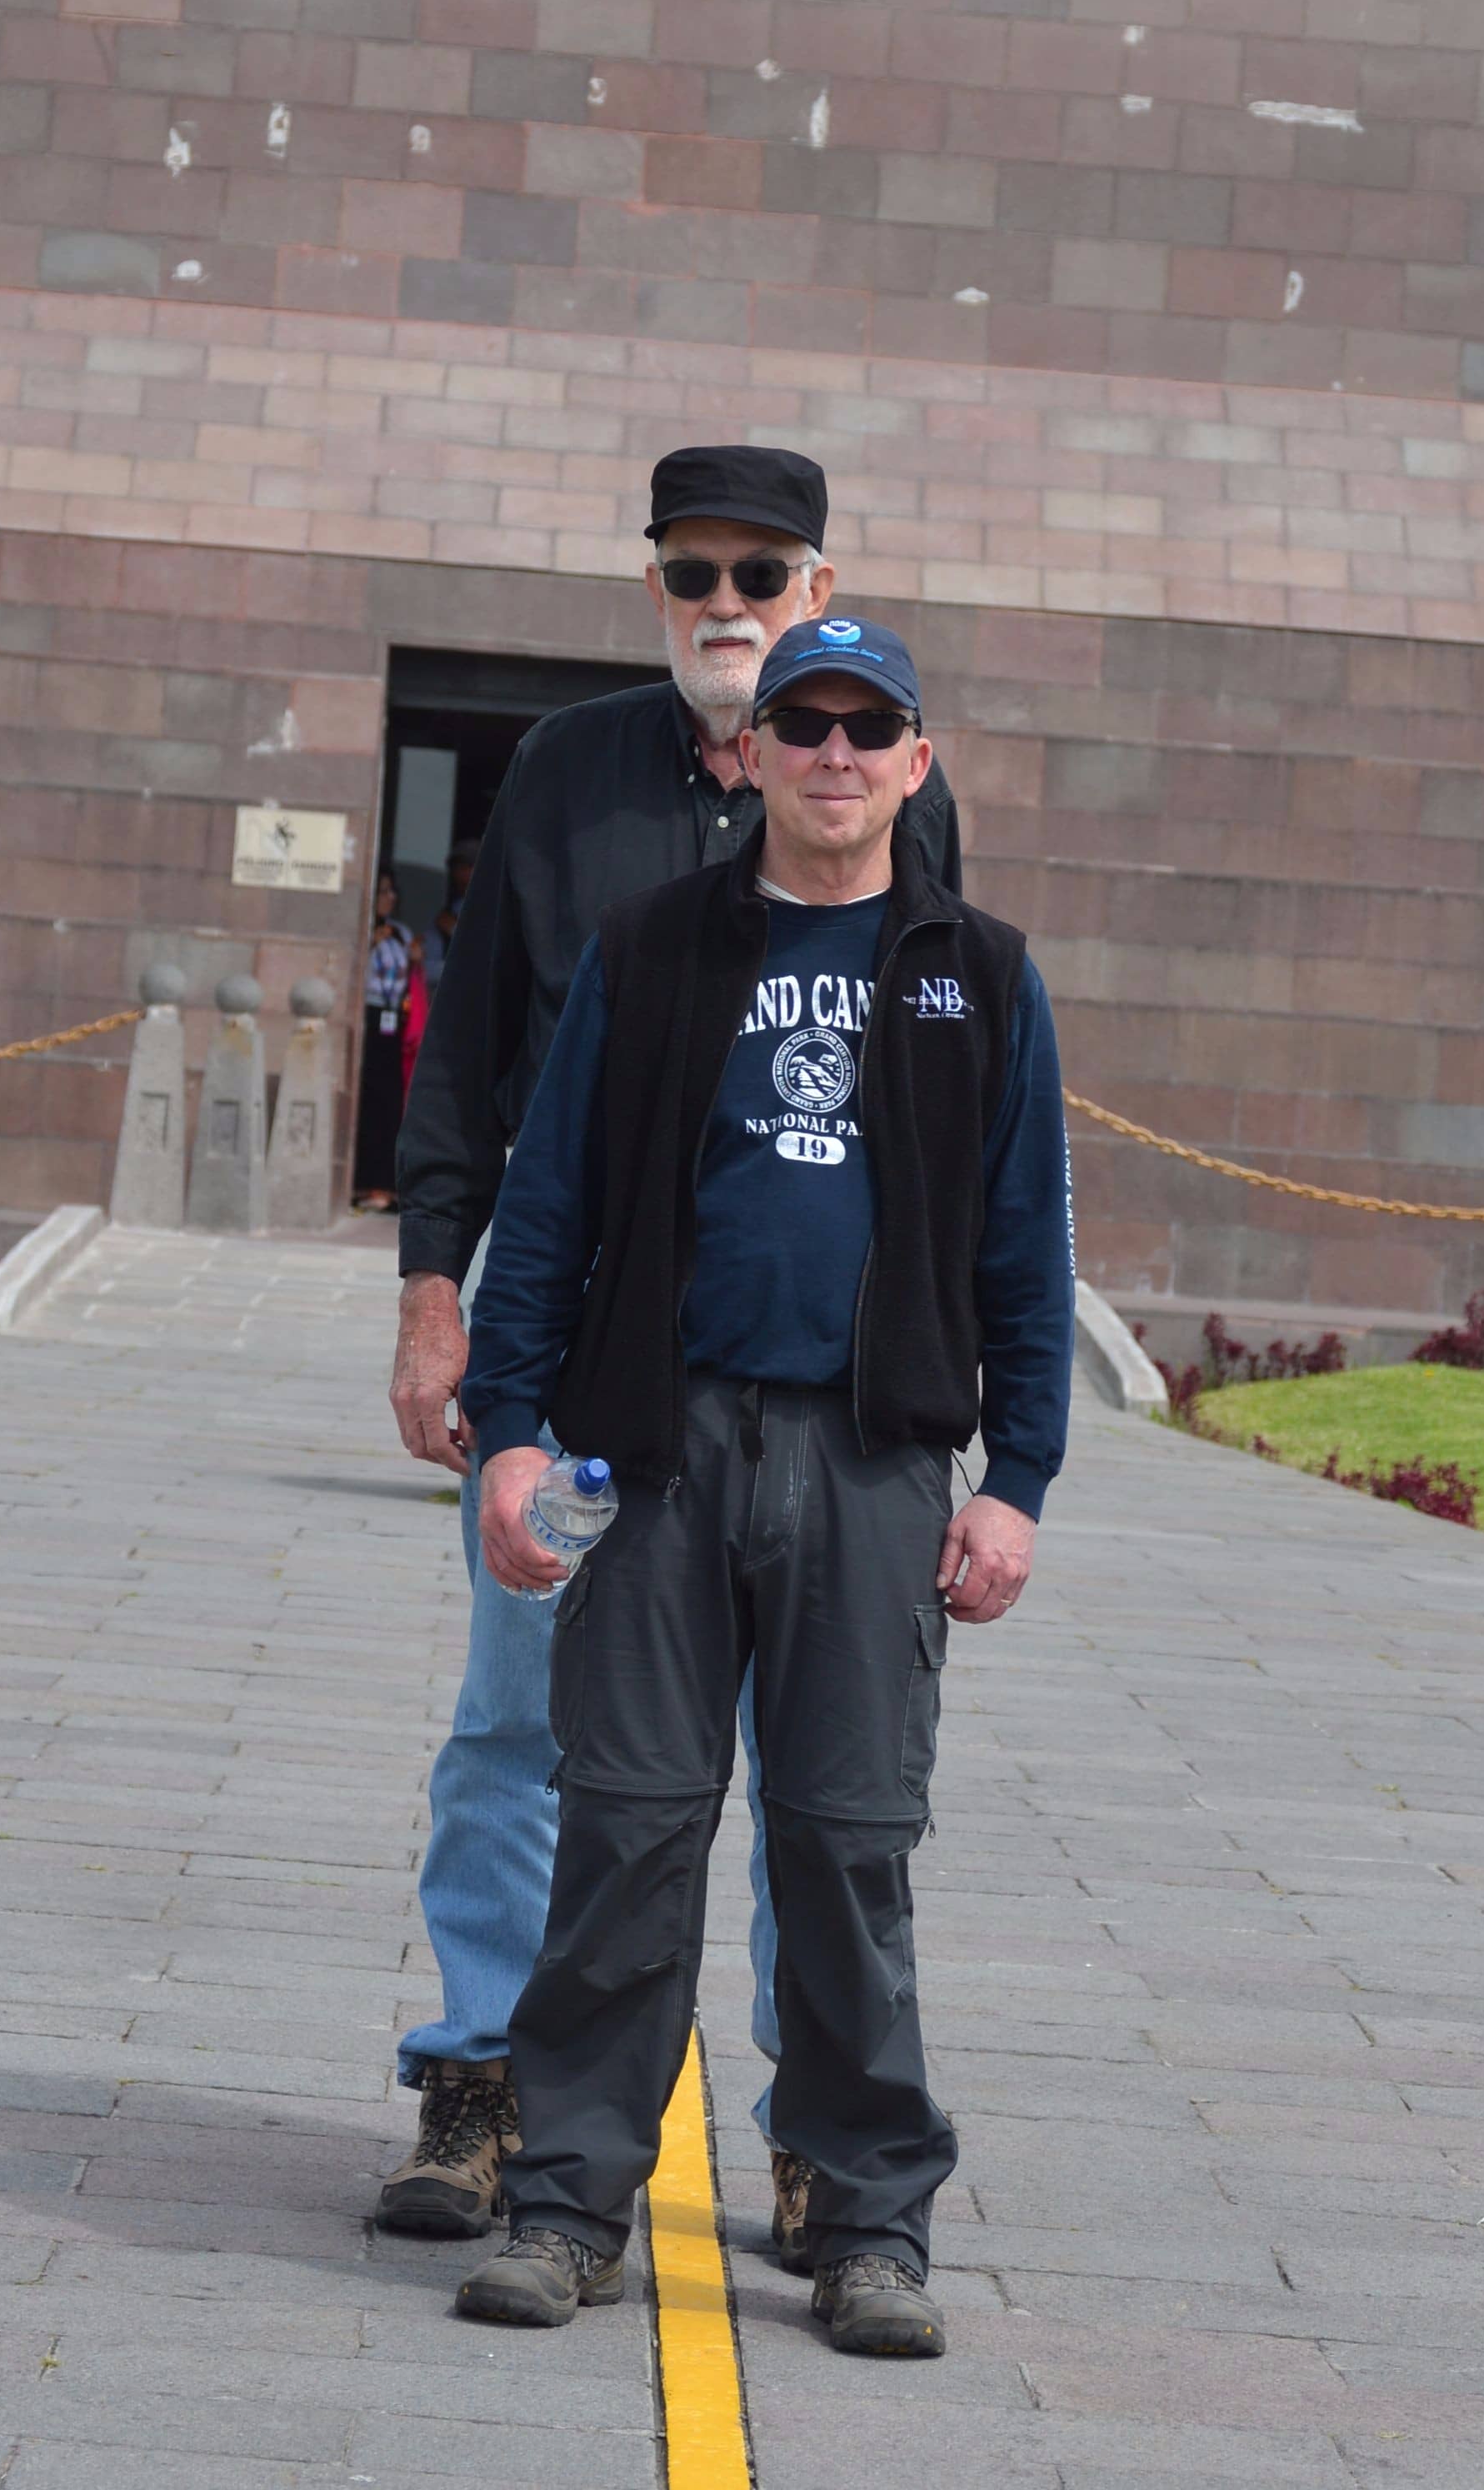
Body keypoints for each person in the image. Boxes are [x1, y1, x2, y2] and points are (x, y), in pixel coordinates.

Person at [447, 615, 1070, 2360]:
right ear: (755, 751)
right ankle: (568, 2203)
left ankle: (868, 2218)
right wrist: (509, 1425)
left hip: (872, 1467)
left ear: (916, 761)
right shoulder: (650, 948)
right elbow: (548, 1208)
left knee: (846, 1845)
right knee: (627, 1833)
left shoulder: (979, 973)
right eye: (802, 719)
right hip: (653, 1457)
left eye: (869, 725)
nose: (833, 751)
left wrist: (1012, 1476)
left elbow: (1025, 1255)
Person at [375, 446, 961, 2244]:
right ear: (655, 590)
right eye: (691, 571)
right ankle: (486, 2077)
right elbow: (472, 1054)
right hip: (586, 1369)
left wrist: (975, 1420)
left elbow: (945, 1103)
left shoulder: (879, 784)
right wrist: (433, 1291)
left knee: (809, 1771)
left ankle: (809, 2117)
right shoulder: (564, 774)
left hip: (807, 1387)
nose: (726, 602)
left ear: (816, 581)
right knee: (514, 1729)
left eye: (759, 571)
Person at [351, 880, 418, 1212]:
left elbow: (414, 970)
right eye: (383, 891)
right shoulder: (361, 930)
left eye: (393, 891)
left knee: (391, 1103)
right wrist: (368, 944)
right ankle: (363, 1182)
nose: (390, 898)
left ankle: (386, 1185)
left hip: (395, 1023)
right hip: (369, 1019)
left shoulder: (401, 933)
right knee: (366, 1101)